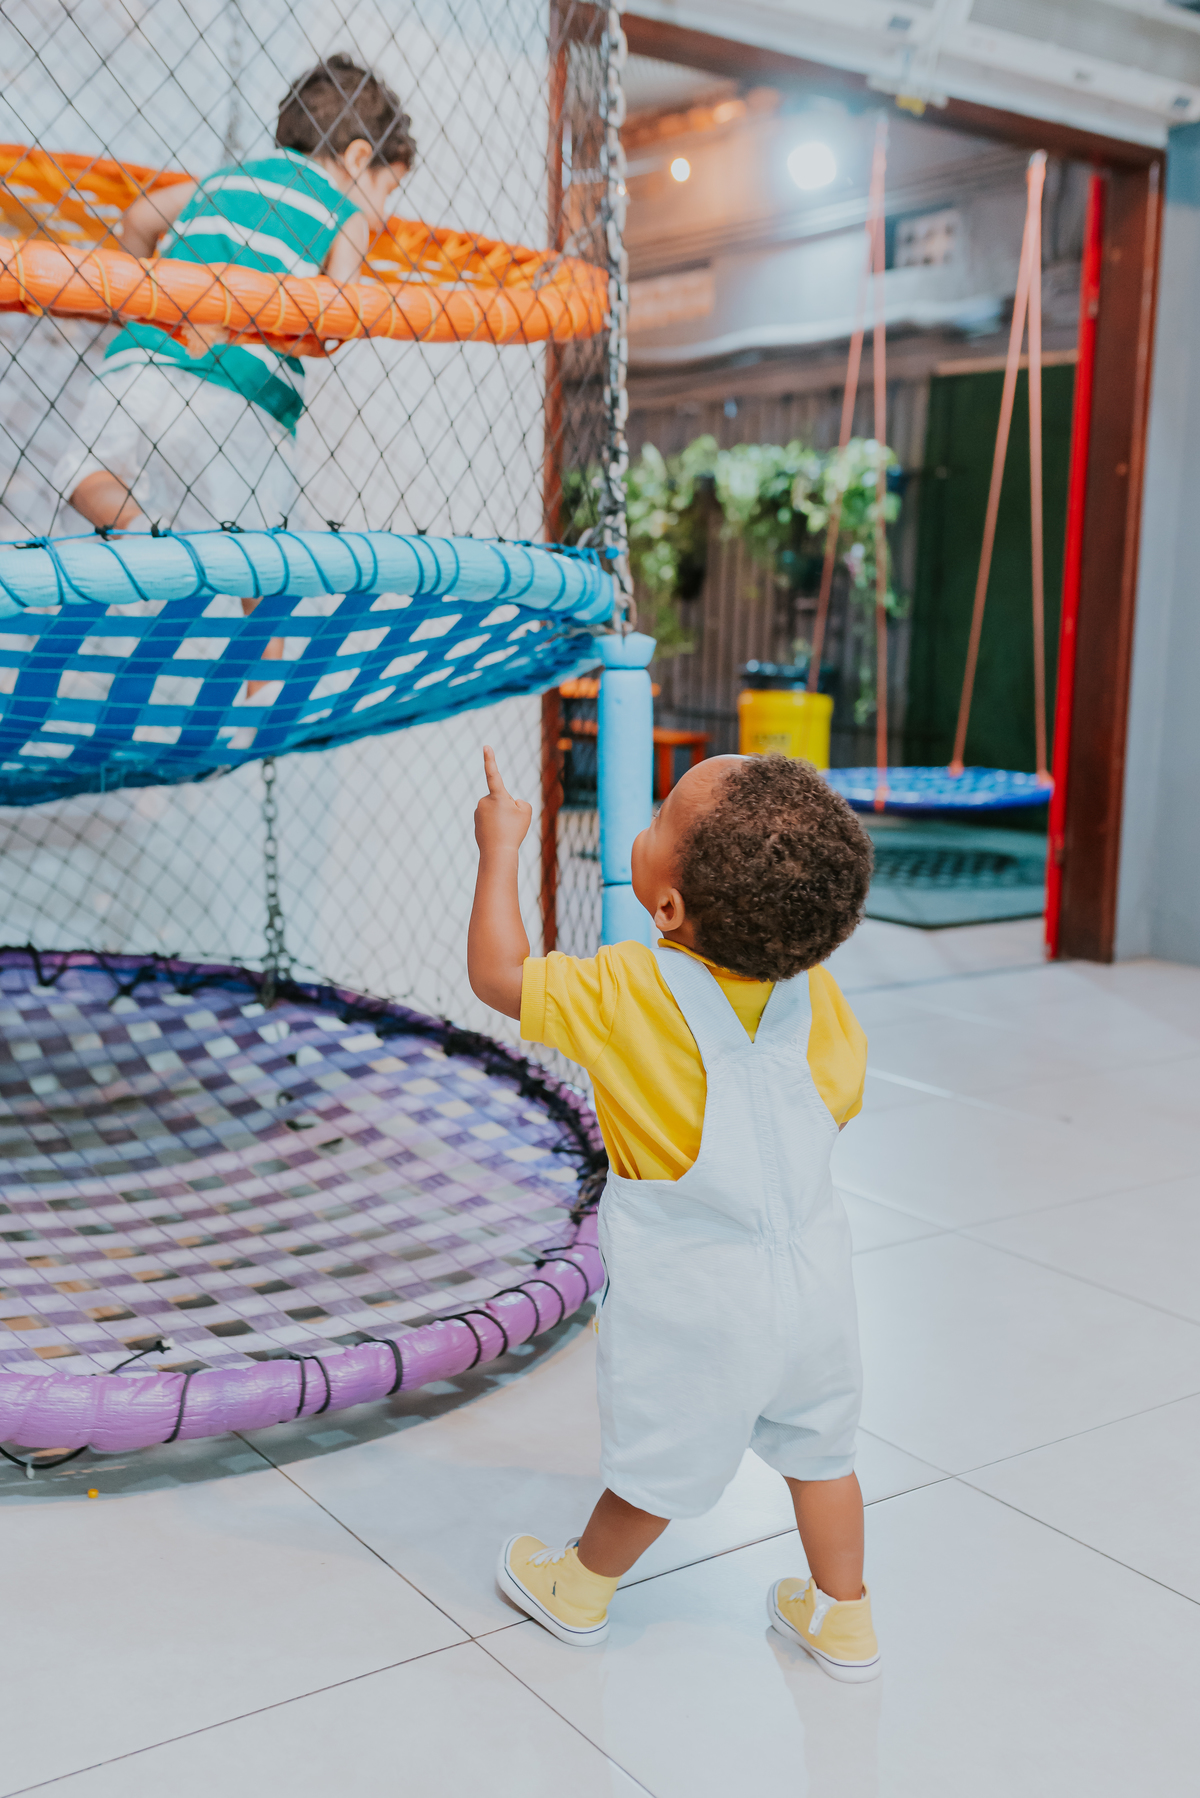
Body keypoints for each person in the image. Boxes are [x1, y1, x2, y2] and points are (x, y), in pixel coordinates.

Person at [467, 747, 880, 1680]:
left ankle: (578, 1589)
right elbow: (841, 1099)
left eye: (657, 821)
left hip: (700, 1300)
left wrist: (501, 844)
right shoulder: (819, 997)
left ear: (667, 910)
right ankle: (844, 1618)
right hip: (816, 1287)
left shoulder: (625, 992)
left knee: (660, 1461)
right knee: (825, 1453)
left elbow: (500, 973)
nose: (642, 829)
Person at [54, 55, 416, 677]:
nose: (384, 214)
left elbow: (138, 220)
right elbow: (336, 308)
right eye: (390, 190)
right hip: (241, 395)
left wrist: (148, 309)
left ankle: (149, 538)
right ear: (359, 160)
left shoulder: (223, 179)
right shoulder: (346, 214)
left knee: (86, 474)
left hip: (138, 367)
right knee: (266, 561)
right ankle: (260, 690)